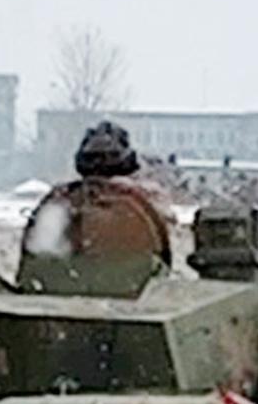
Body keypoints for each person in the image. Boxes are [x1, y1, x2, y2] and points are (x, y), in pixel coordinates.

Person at [16, 120, 174, 295]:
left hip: (53, 293)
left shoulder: (58, 204)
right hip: (127, 294)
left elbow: (33, 263)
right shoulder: (143, 205)